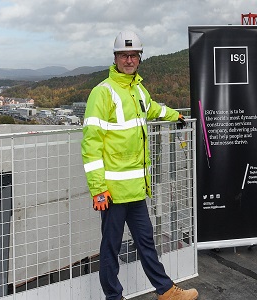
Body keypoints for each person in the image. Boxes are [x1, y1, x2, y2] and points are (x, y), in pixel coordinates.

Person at [81, 30, 198, 300]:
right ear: (115, 58)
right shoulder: (103, 93)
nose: (129, 60)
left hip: (135, 190)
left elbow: (153, 109)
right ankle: (114, 297)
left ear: (140, 58)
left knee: (146, 242)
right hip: (112, 193)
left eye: (133, 55)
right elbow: (91, 144)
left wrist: (175, 115)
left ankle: (166, 290)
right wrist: (98, 188)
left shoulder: (137, 90)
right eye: (124, 55)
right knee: (110, 249)